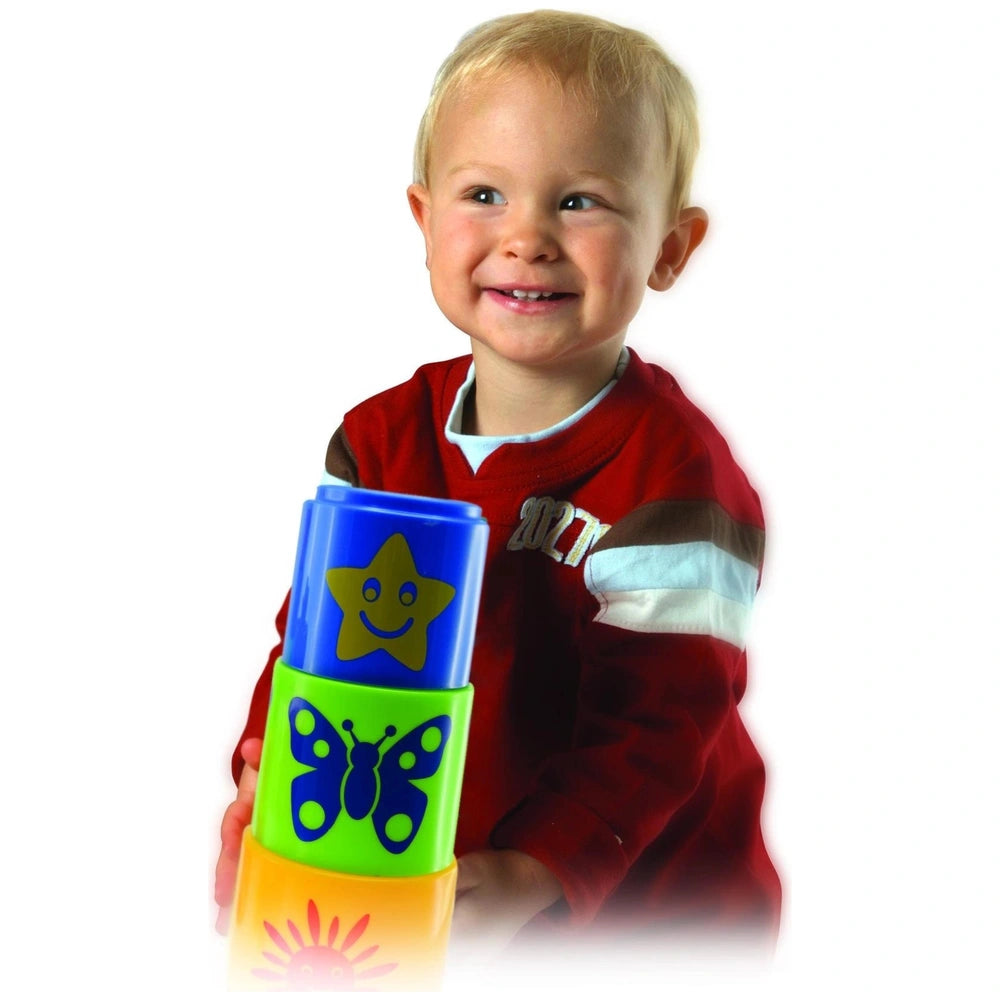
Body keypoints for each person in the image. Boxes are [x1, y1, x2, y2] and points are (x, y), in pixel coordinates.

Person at [215, 9, 781, 966]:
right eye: (485, 193)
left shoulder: (677, 479)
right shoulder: (377, 441)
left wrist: (540, 868)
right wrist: (266, 769)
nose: (526, 238)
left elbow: (659, 722)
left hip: (645, 904)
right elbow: (314, 637)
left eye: (581, 202)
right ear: (423, 218)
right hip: (436, 875)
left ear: (670, 249)